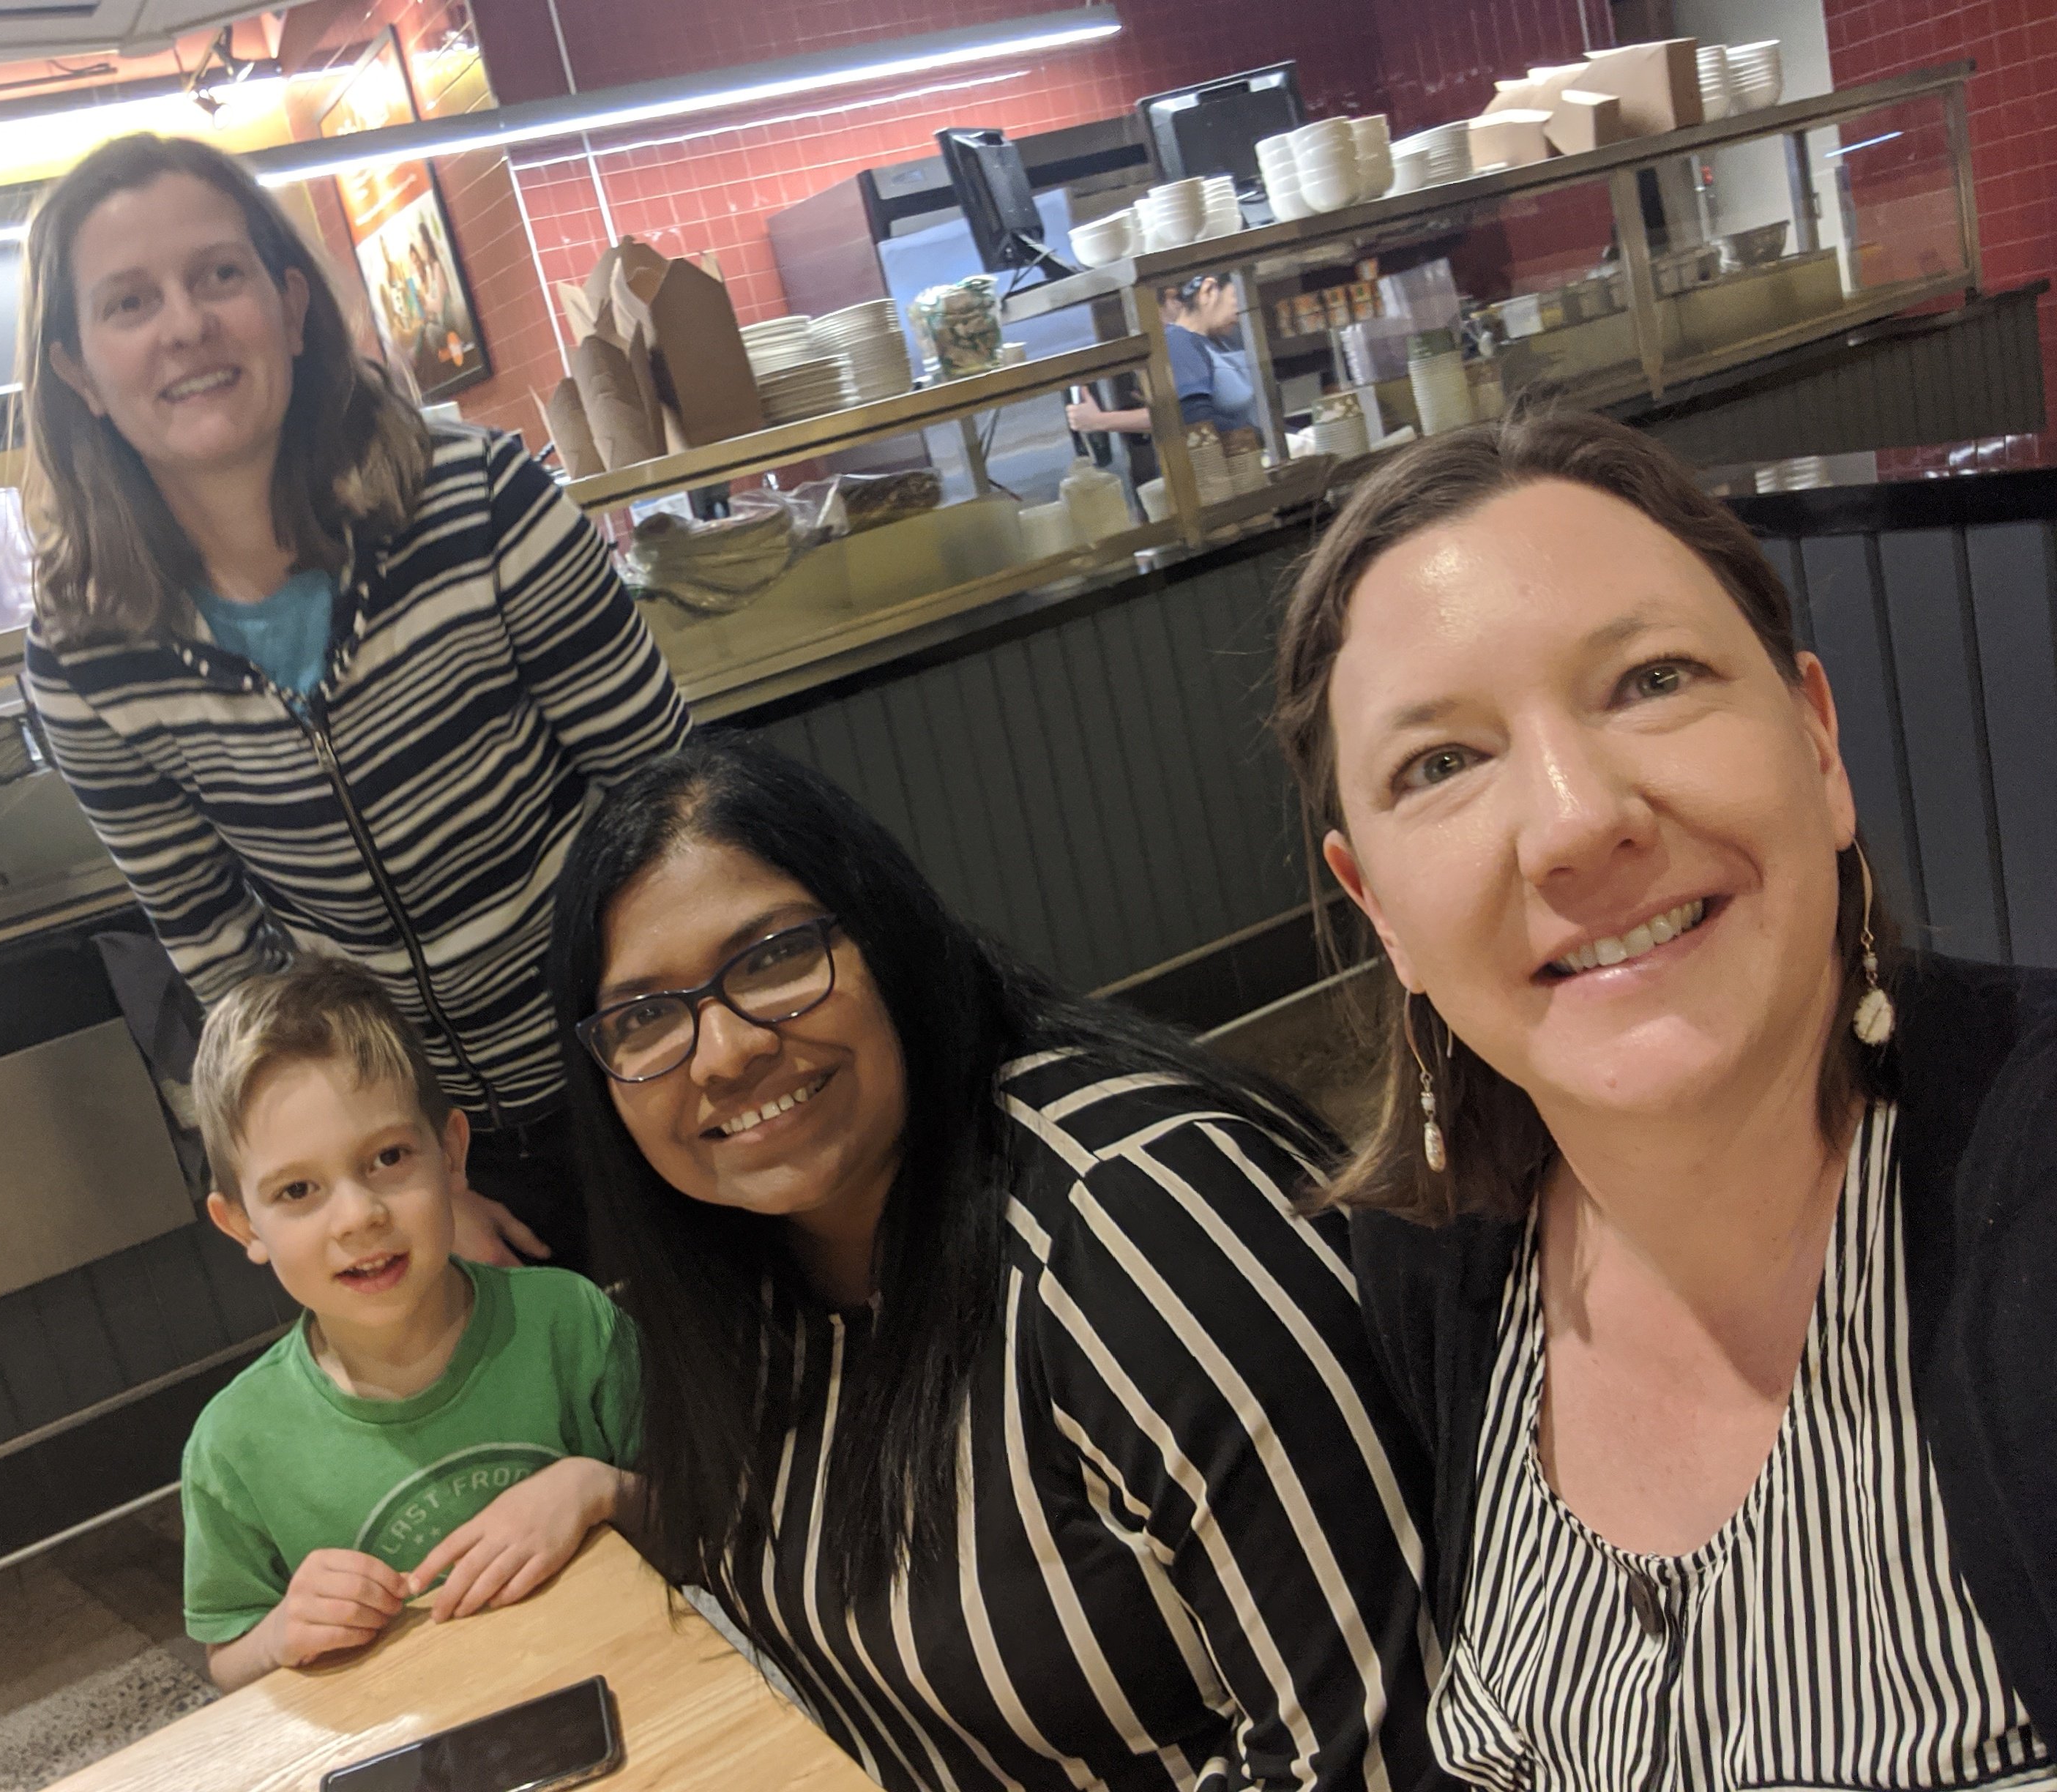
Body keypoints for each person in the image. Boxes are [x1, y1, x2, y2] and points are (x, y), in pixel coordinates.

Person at [1272, 407, 2057, 1786]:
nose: (1576, 821)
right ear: (1378, 908)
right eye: (1440, 764)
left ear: (1816, 743)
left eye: (1650, 680)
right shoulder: (1438, 1270)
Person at [547, 733, 1444, 1792]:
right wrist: (621, 1497)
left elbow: (1381, 1745)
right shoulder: (743, 1267)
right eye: (646, 1018)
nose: (727, 1049)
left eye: (775, 957)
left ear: (887, 937)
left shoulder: (1135, 1222)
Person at [18, 133, 690, 1272]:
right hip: (424, 1150)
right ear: (78, 371)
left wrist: (672, 1046)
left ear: (290, 308)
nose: (185, 325)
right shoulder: (85, 662)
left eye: (218, 275)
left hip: (644, 1056)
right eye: (129, 302)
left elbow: (675, 808)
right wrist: (409, 1172)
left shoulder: (484, 503)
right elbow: (229, 961)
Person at [179, 955, 639, 1693]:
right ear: (241, 1226)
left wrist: (598, 1486)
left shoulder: (570, 1322)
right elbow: (229, 1660)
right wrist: (279, 1632)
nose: (358, 1215)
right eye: (297, 1190)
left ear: (451, 1154)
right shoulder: (233, 1446)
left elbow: (705, 1513)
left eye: (388, 1157)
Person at [1066, 274, 1256, 436]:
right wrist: (1260, 436)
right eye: (1235, 296)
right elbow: (1193, 418)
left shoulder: (1221, 341)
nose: (1239, 308)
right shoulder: (1179, 342)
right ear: (1208, 291)